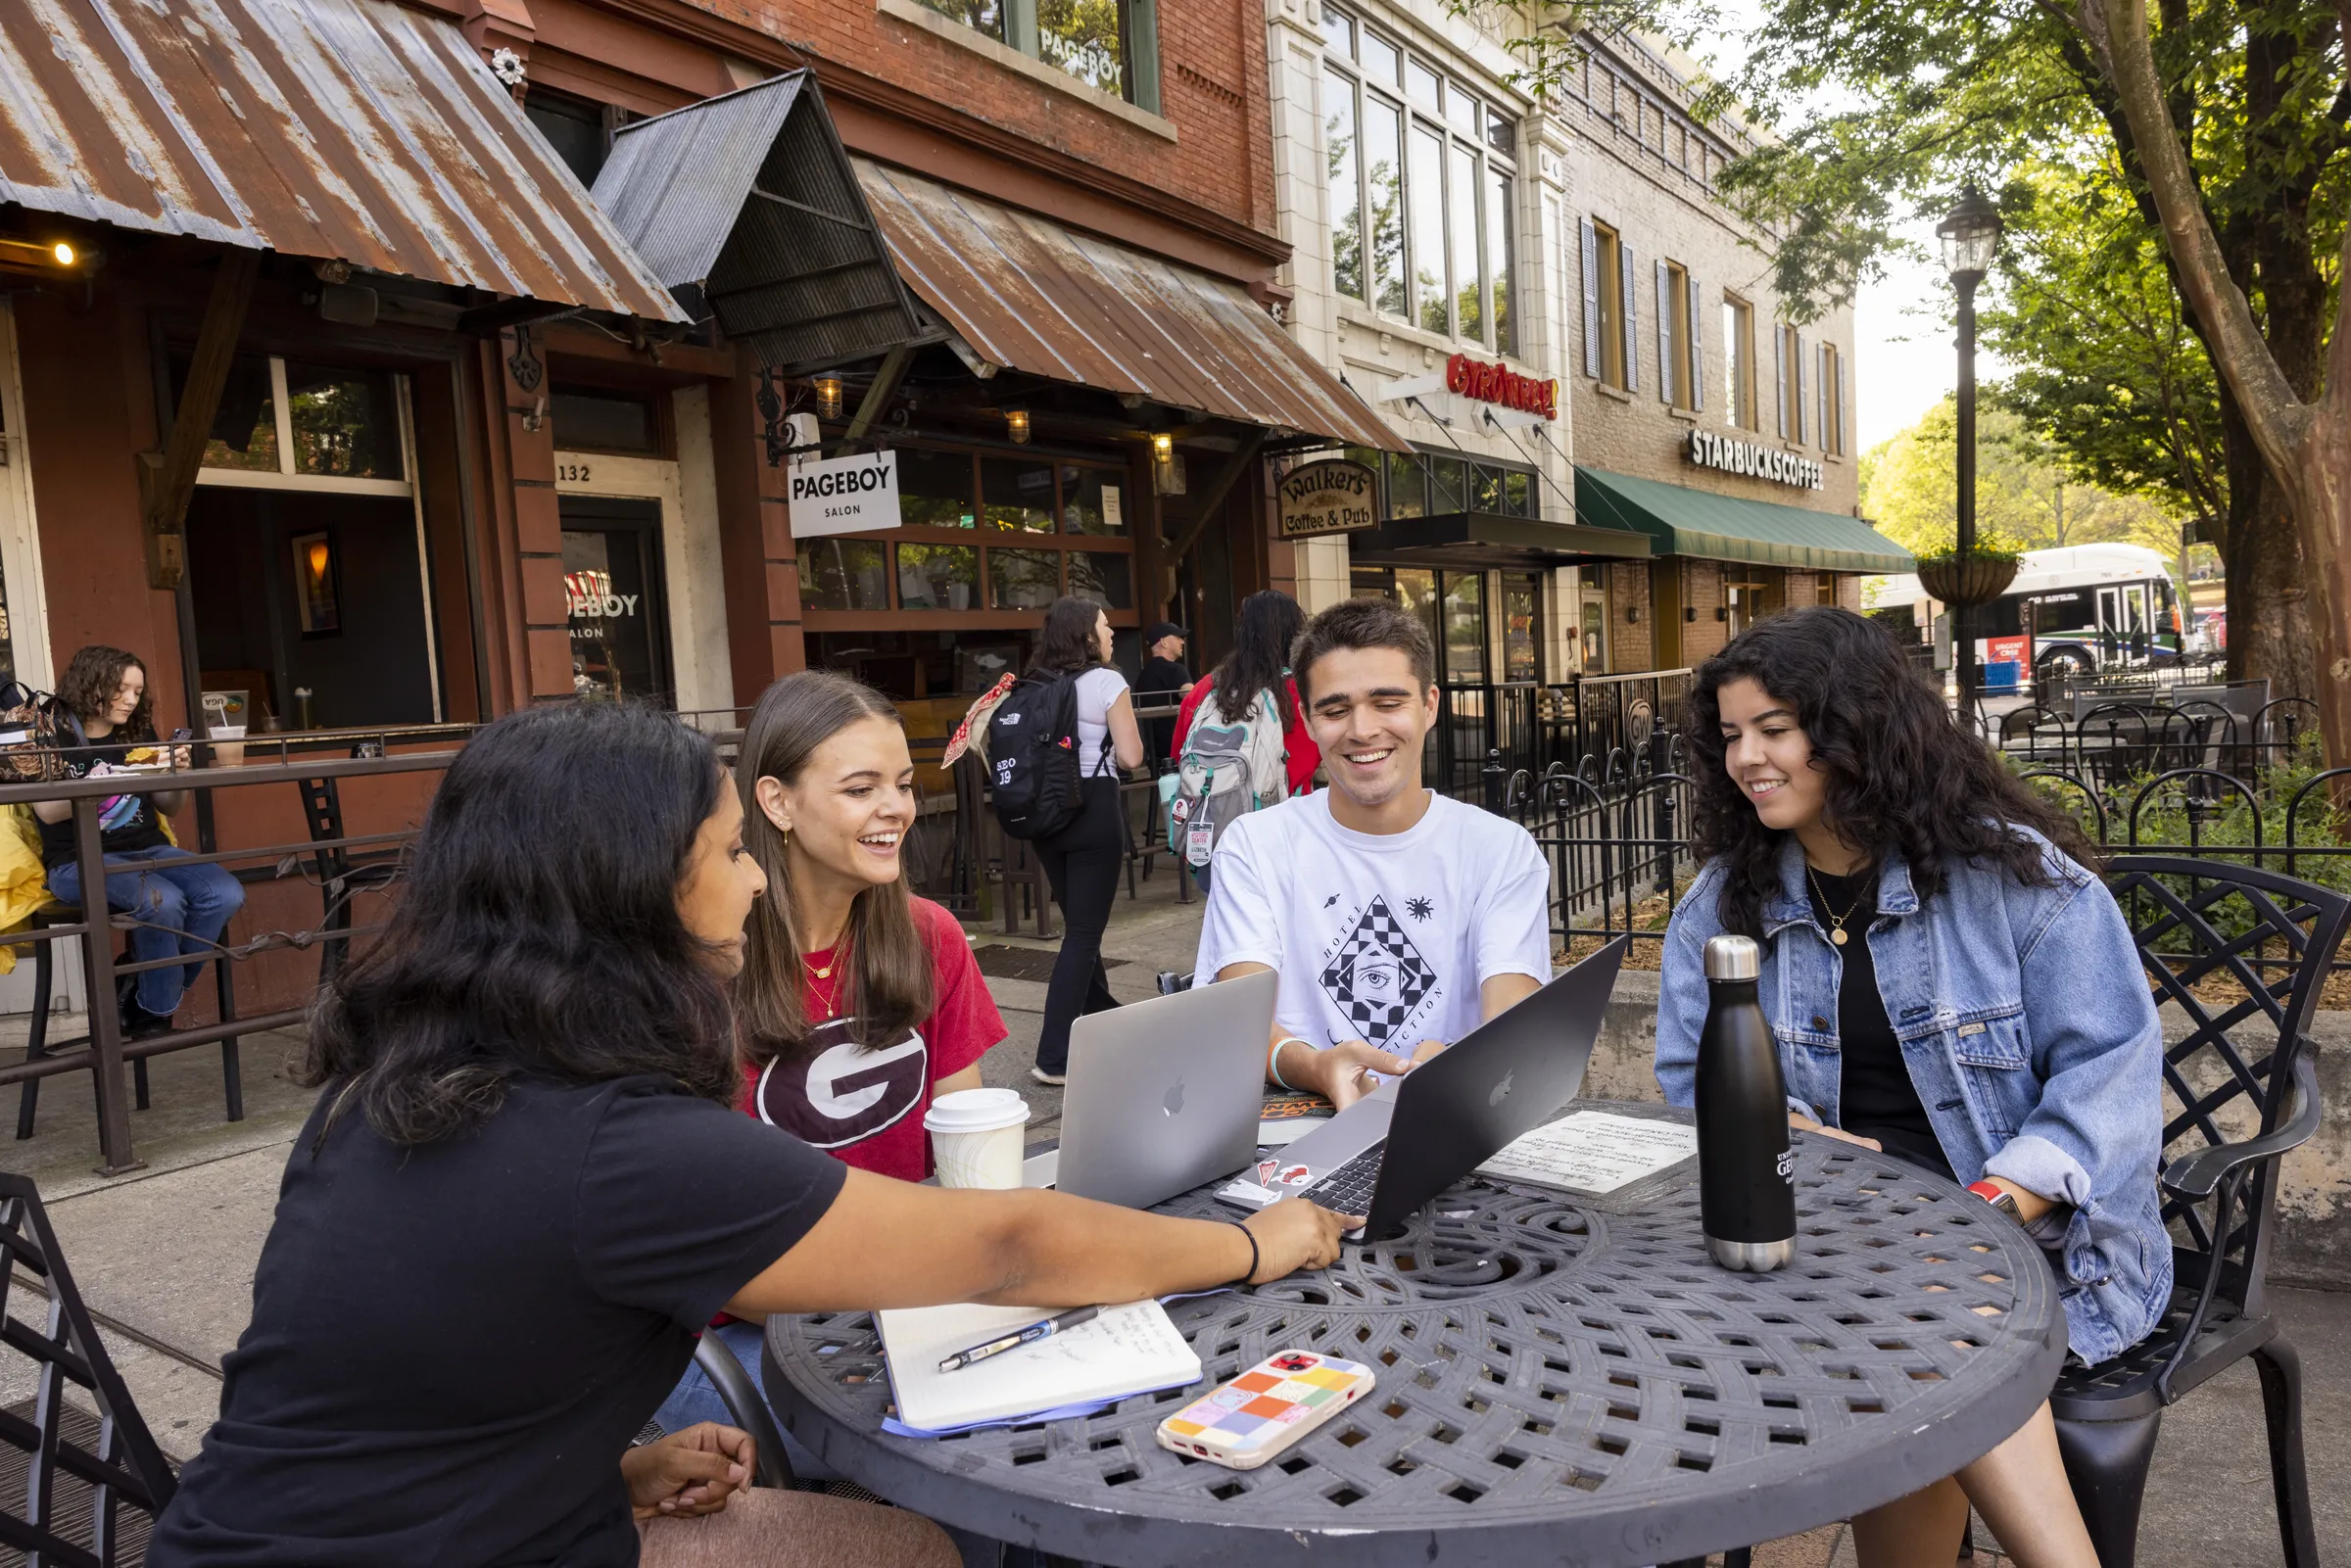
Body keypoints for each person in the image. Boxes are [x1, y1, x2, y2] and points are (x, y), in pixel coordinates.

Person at [149, 701, 1353, 1568]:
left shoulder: (392, 1085)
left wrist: (609, 1467)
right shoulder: (622, 1150)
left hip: (270, 1530)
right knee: (911, 1549)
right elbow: (1011, 1246)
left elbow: (400, 1388)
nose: (757, 881)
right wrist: (1258, 1245)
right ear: (632, 891)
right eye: (728, 852)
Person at [1654, 606, 2167, 1568]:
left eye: (1775, 728)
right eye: (1730, 735)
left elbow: (2111, 1083)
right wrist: (1786, 1133)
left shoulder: (2017, 884)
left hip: (2025, 1230)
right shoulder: (1723, 905)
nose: (1747, 758)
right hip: (1814, 1229)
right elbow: (1689, 1082)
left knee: (1920, 1313)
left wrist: (1984, 1205)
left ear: (1857, 727)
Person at [652, 669, 1006, 1454]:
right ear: (777, 802)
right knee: (955, 1429)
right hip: (740, 1336)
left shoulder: (931, 936)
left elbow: (967, 1155)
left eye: (903, 784)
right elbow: (705, 1250)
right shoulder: (705, 964)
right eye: (860, 788)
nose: (896, 808)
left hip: (902, 1296)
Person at [1192, 596, 1553, 1113]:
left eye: (1387, 703)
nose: (1361, 730)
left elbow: (1512, 1026)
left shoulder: (1501, 851)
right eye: (1335, 710)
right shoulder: (1254, 846)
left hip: (1457, 1121)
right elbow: (1239, 1021)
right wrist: (1317, 1066)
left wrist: (1461, 1062)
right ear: (1307, 720)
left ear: (1429, 706)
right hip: (1298, 1129)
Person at [32, 644, 245, 1033]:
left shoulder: (137, 730)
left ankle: (145, 992)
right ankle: (154, 1011)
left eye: (138, 691)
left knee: (224, 892)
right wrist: (108, 781)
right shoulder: (53, 734)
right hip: (76, 861)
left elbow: (168, 806)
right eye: (122, 690)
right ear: (91, 684)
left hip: (148, 847)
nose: (131, 700)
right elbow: (47, 811)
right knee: (162, 900)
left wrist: (173, 774)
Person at [1027, 596, 1145, 1086]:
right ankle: (1054, 1056)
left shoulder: (1032, 687)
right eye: (1105, 624)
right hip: (1093, 808)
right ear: (1086, 636)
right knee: (1083, 934)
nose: (1112, 631)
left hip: (1045, 815)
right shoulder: (1106, 681)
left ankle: (1100, 1021)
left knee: (1080, 925)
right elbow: (1132, 756)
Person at [1170, 591, 1320, 801]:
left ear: (1242, 632)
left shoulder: (1205, 689)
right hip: (1288, 810)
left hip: (1211, 810)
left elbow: (1179, 756)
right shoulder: (1302, 690)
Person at [1135, 620, 1193, 767]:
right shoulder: (1176, 670)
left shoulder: (1142, 676)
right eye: (1178, 637)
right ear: (1164, 642)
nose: (1182, 642)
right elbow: (1193, 697)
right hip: (1179, 753)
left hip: (1154, 757)